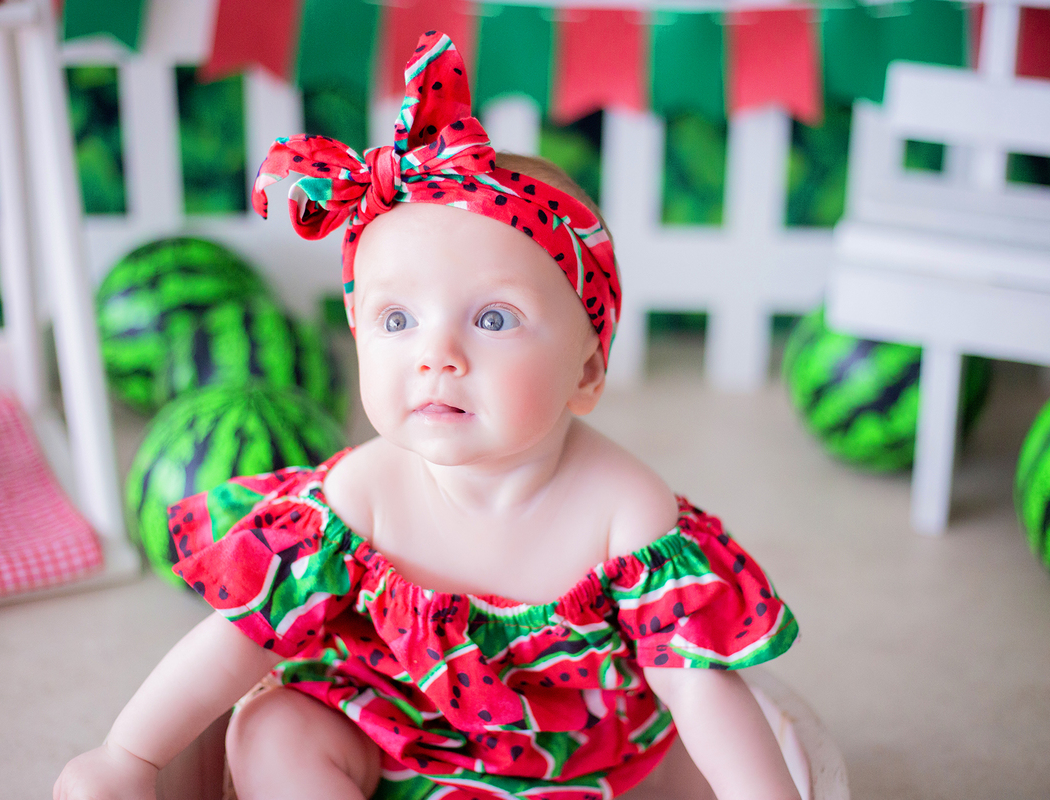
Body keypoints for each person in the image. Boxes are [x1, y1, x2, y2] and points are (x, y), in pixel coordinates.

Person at [55, 32, 801, 800]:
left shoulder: (626, 513)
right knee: (273, 730)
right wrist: (129, 757)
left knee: (680, 766)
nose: (436, 356)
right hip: (379, 737)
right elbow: (238, 644)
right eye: (397, 320)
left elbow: (698, 690)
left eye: (495, 320)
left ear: (585, 369)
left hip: (564, 769)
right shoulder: (361, 496)